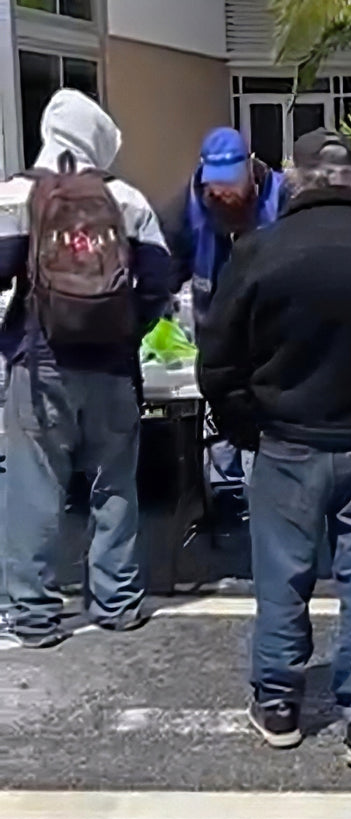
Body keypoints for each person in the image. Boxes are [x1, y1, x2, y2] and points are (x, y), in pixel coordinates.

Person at [197, 129, 351, 766]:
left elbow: (217, 361)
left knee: (283, 575)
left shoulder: (260, 249)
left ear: (293, 177)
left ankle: (279, 702)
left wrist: (245, 425)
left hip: (286, 435)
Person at [0, 89, 171, 648]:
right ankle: (118, 603)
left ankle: (33, 615)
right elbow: (160, 281)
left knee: (34, 490)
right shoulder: (128, 199)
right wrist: (127, 329)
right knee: (114, 486)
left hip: (39, 365)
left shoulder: (18, 194)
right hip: (114, 368)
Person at [161, 127, 288, 492]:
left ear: (250, 170)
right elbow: (167, 270)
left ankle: (266, 491)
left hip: (273, 336)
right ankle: (227, 494)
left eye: (231, 184)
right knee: (224, 427)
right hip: (216, 336)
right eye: (215, 185)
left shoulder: (284, 197)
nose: (222, 193)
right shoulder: (184, 209)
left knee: (271, 430)